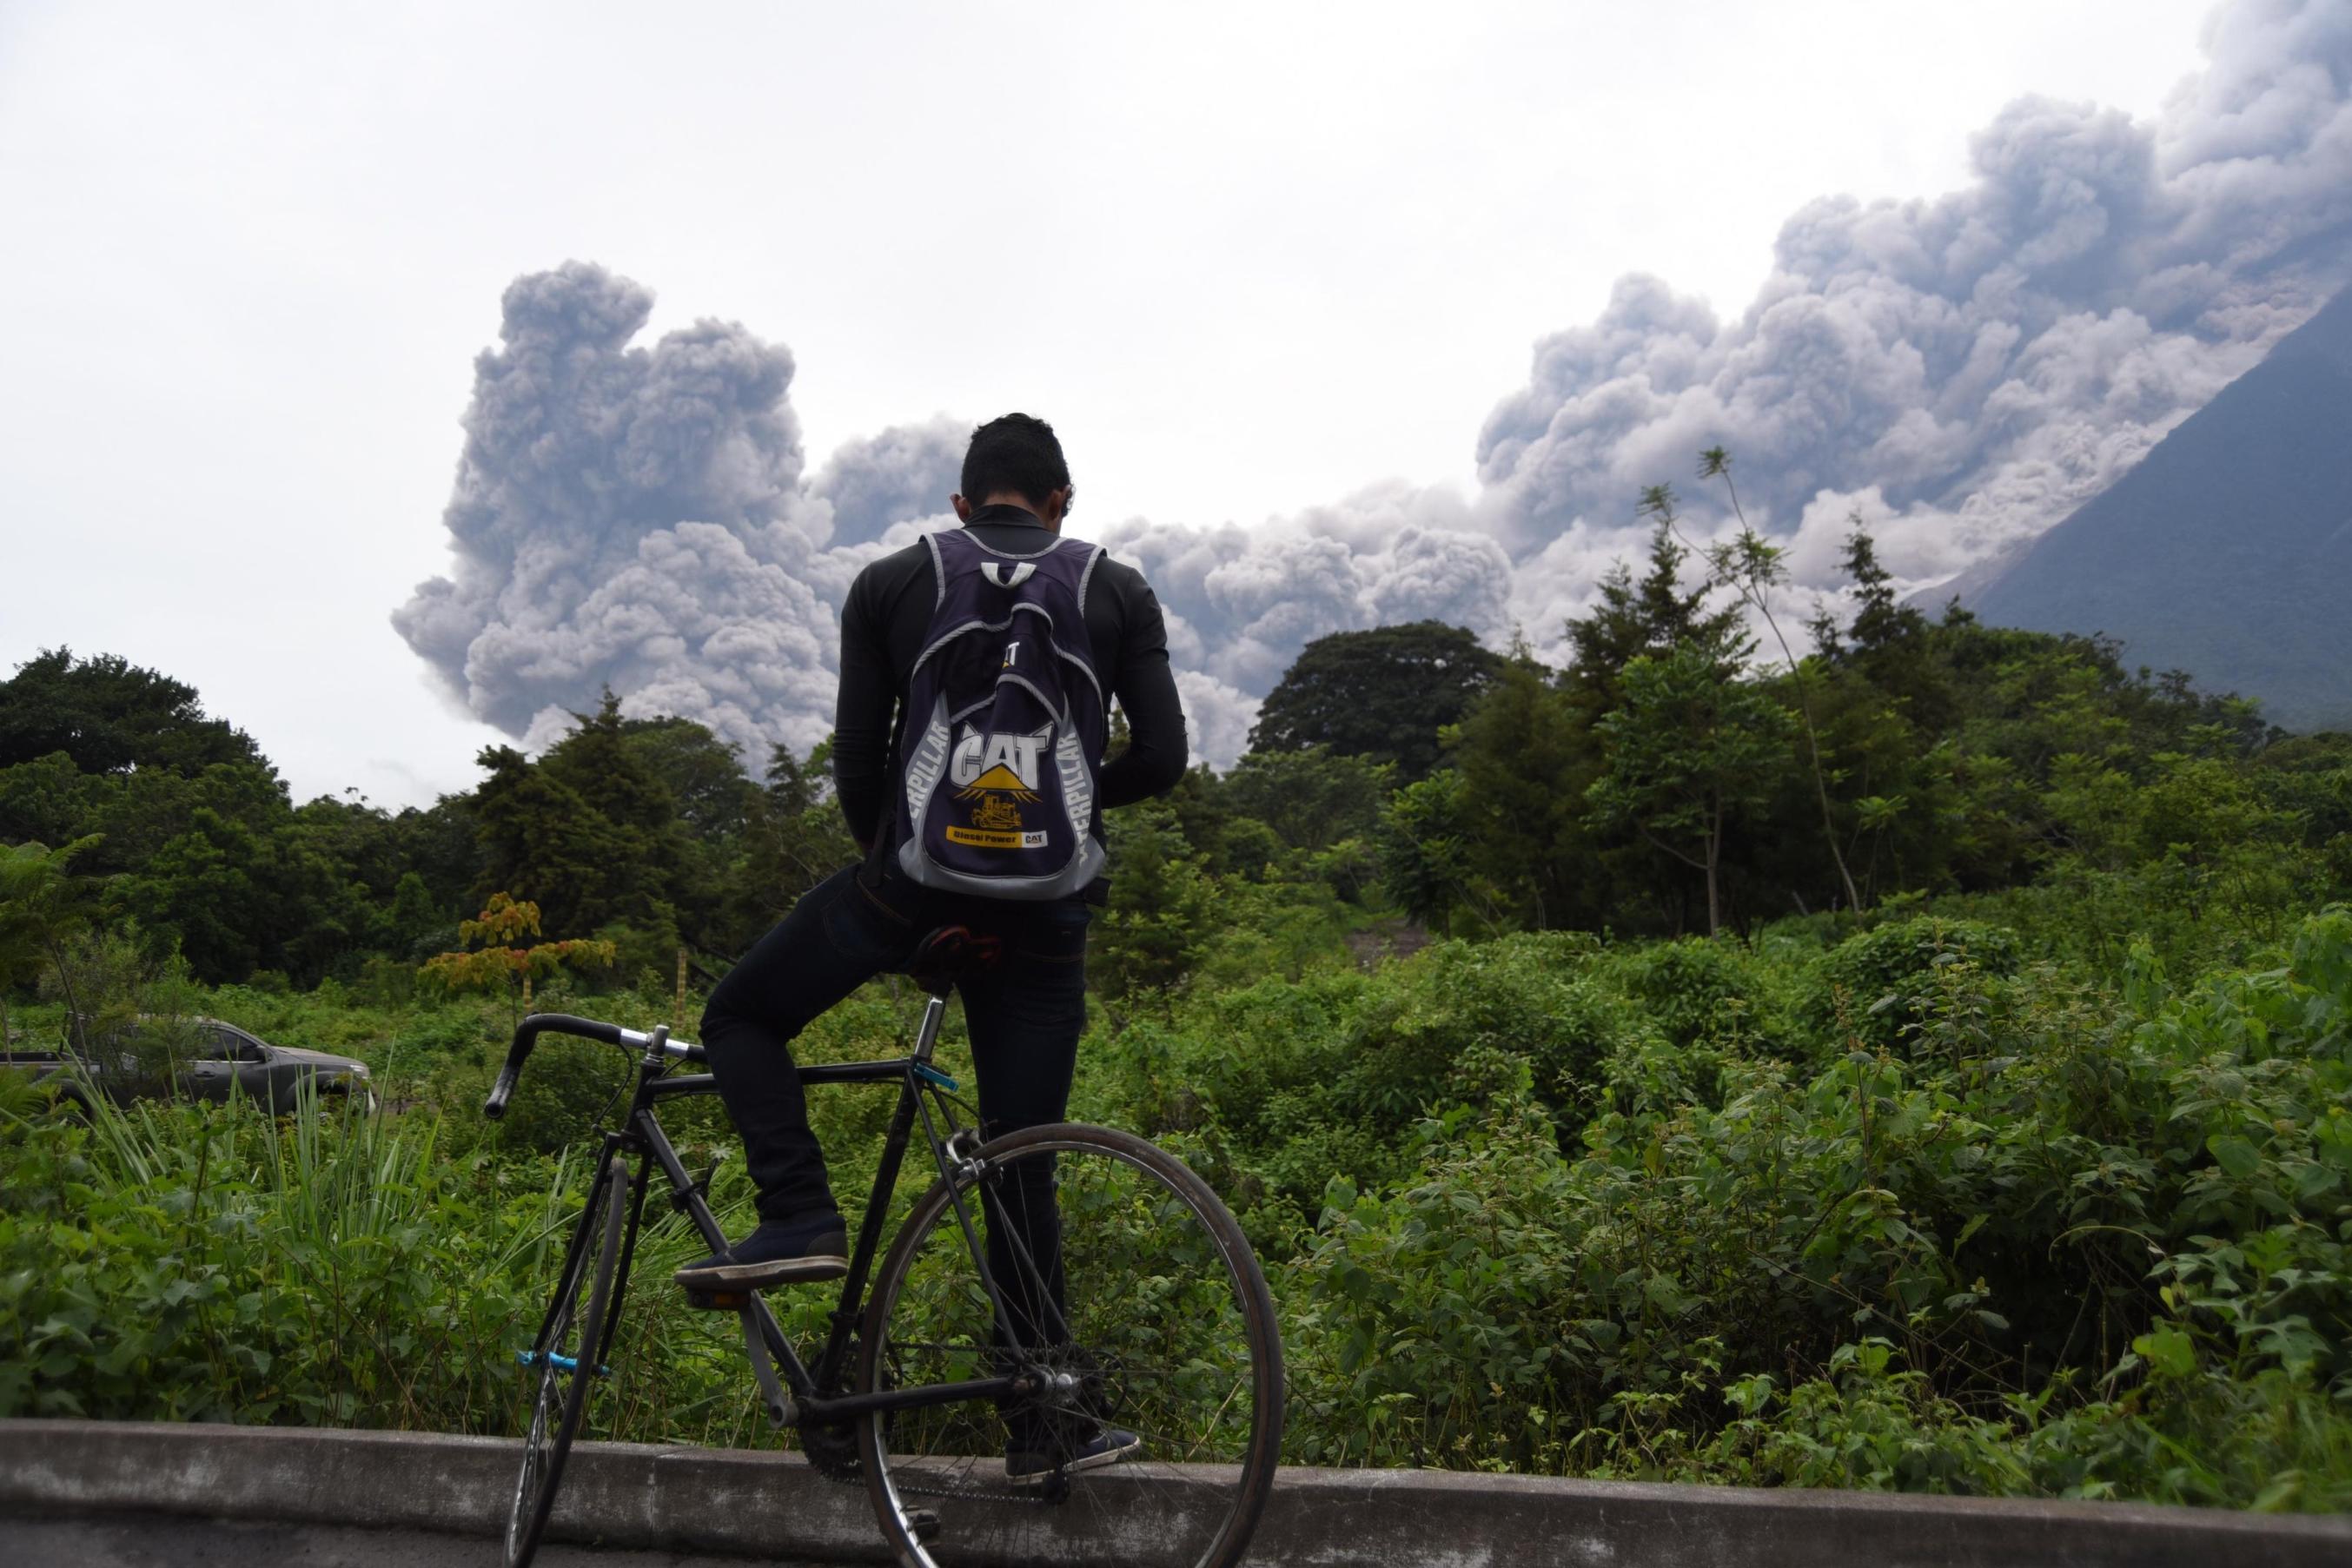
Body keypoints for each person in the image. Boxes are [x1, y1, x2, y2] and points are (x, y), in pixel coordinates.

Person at [677, 412, 1186, 1477]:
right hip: (1049, 914)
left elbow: (859, 764)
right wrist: (1073, 813)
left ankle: (798, 1214)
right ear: (1061, 502)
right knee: (1021, 1158)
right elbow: (1166, 757)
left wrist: (901, 880)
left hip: (908, 893)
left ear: (963, 504)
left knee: (742, 1014)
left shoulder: (891, 582)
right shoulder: (1118, 588)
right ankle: (1045, 1425)